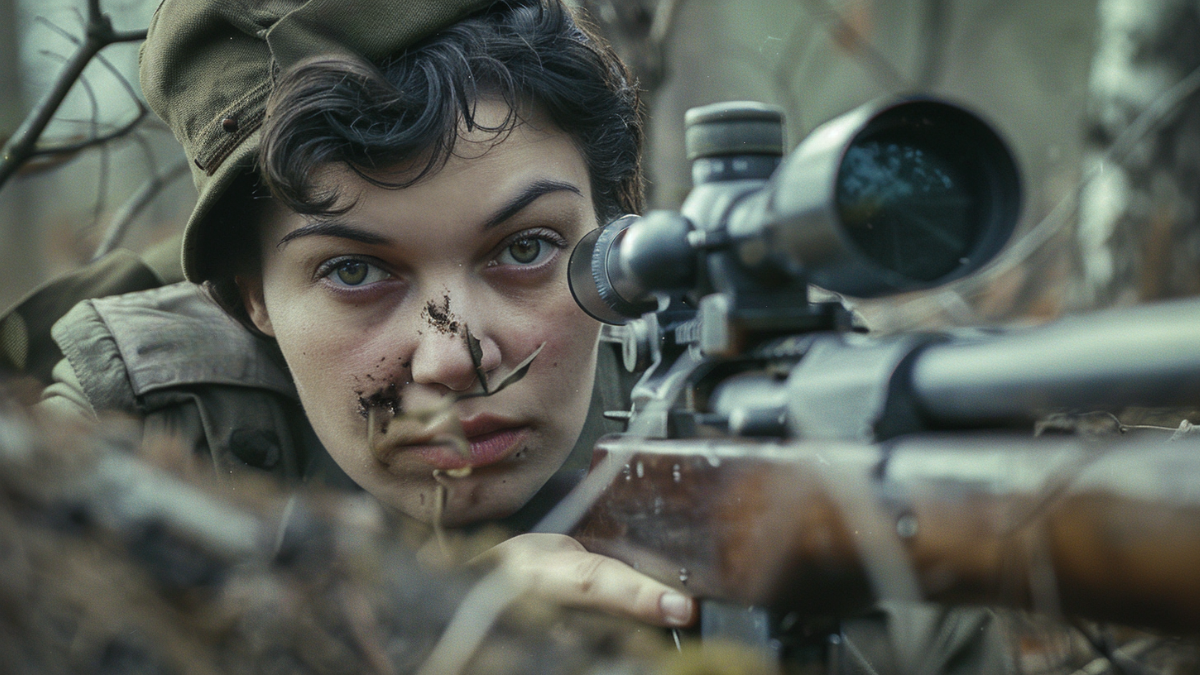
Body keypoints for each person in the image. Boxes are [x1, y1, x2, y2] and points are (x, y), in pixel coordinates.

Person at [36, 0, 696, 630]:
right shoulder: (128, 434)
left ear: (612, 236)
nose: (454, 360)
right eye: (354, 271)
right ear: (252, 295)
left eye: (526, 249)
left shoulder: (707, 391)